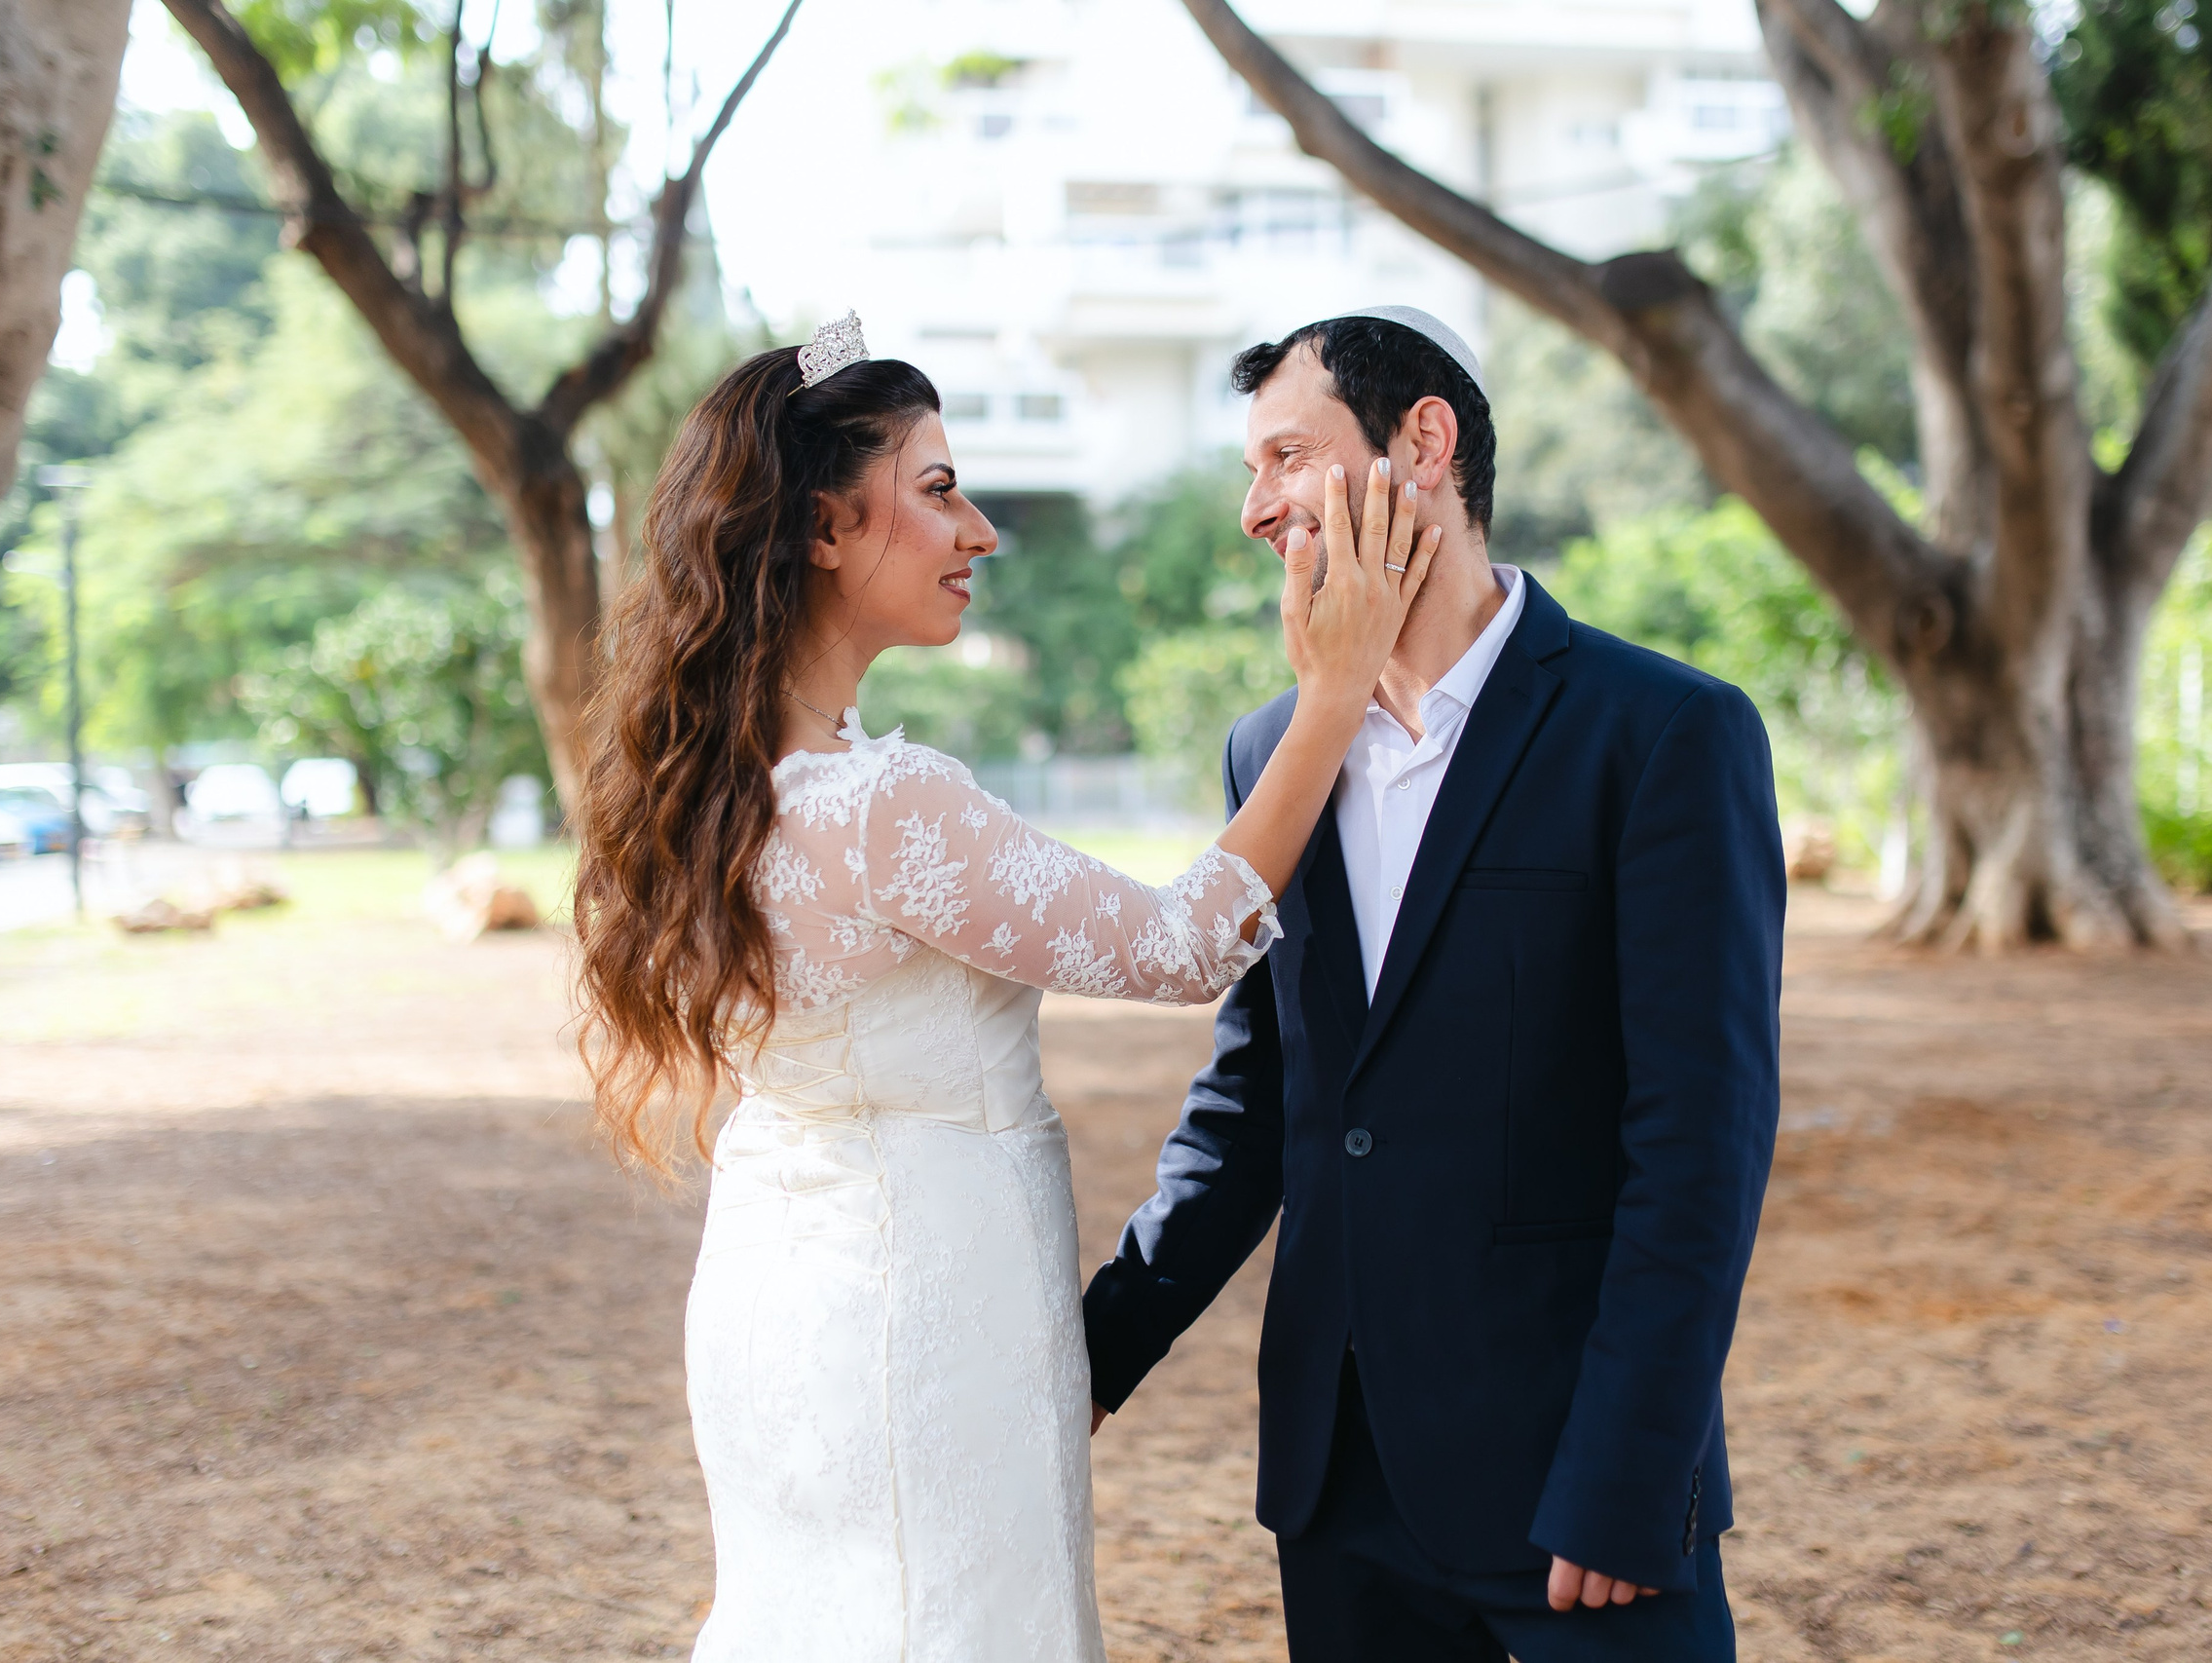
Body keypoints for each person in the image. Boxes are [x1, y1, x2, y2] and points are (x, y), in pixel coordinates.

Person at [571, 312, 1439, 1663]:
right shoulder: (882, 805)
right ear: (820, 529)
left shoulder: (714, 791)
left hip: (777, 1306)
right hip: (922, 1314)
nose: (977, 530)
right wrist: (1329, 695)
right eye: (936, 491)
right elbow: (1181, 946)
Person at [1081, 307, 1786, 1662]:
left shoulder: (1665, 735)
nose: (1255, 509)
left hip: (1580, 1485)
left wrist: (1633, 1472)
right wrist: (1091, 1355)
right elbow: (1253, 1110)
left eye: (1286, 456)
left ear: (1425, 441)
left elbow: (1699, 1147)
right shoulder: (1270, 753)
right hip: (1338, 1483)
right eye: (1250, 473)